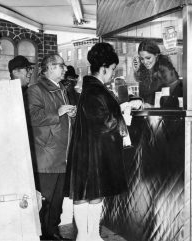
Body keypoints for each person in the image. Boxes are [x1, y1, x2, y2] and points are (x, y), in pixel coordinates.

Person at [64, 42, 128, 241]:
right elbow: (103, 122)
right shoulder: (95, 90)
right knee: (87, 194)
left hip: (88, 149)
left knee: (91, 193)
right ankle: (85, 236)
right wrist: (123, 114)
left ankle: (91, 235)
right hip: (92, 151)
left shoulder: (91, 88)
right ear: (104, 68)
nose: (112, 74)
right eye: (112, 70)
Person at [25, 54, 76, 240]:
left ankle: (53, 233)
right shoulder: (35, 90)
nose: (65, 69)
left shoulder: (61, 89)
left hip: (61, 155)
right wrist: (59, 112)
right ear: (49, 68)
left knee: (57, 202)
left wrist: (70, 115)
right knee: (45, 203)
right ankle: (44, 236)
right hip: (46, 157)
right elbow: (32, 117)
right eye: (61, 66)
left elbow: (59, 118)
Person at [133, 40, 181, 106]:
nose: (145, 62)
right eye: (142, 59)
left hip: (164, 113)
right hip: (150, 112)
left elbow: (172, 99)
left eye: (148, 58)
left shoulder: (165, 69)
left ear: (156, 55)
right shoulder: (144, 69)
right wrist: (136, 70)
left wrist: (151, 106)